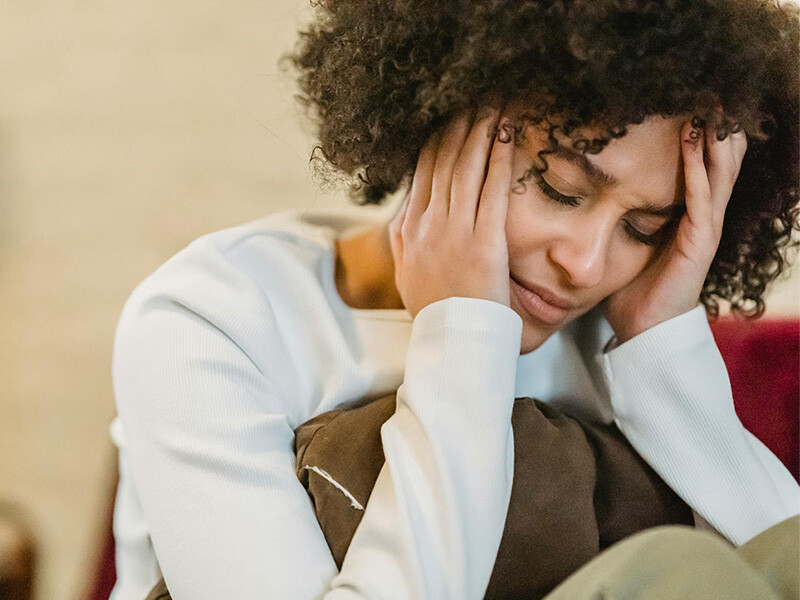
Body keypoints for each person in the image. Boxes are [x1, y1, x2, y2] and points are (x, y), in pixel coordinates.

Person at [108, 1, 800, 599]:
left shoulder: (606, 343)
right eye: (560, 187)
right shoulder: (212, 321)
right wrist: (463, 336)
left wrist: (664, 346)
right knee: (670, 570)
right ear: (443, 109)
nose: (585, 264)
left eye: (642, 227)